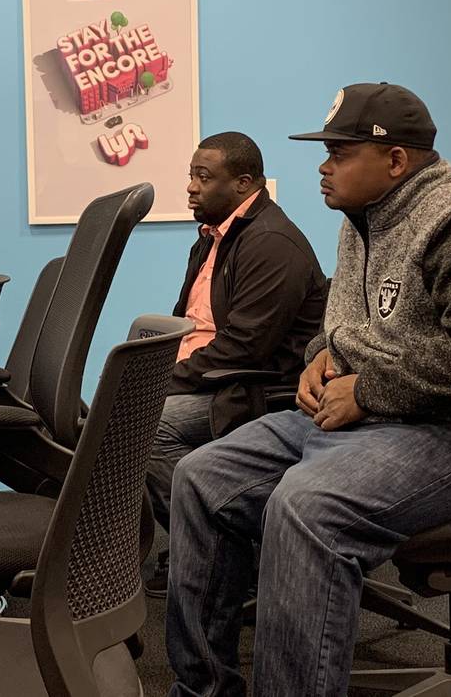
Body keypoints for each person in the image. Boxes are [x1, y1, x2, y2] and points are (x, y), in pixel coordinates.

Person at [165, 83, 451, 696]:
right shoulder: (360, 221)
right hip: (375, 422)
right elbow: (350, 326)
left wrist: (368, 389)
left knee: (307, 506)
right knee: (203, 477)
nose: (323, 167)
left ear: (395, 160)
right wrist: (322, 357)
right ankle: (204, 690)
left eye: (339, 153)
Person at [144, 131, 327, 597]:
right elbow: (191, 324)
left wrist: (163, 381)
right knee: (107, 416)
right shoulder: (212, 237)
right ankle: (205, 548)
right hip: (211, 379)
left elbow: (245, 348)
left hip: (256, 390)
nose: (190, 186)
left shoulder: (271, 243)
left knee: (145, 428)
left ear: (245, 183)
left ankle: (228, 557)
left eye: (203, 177)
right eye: (190, 175)